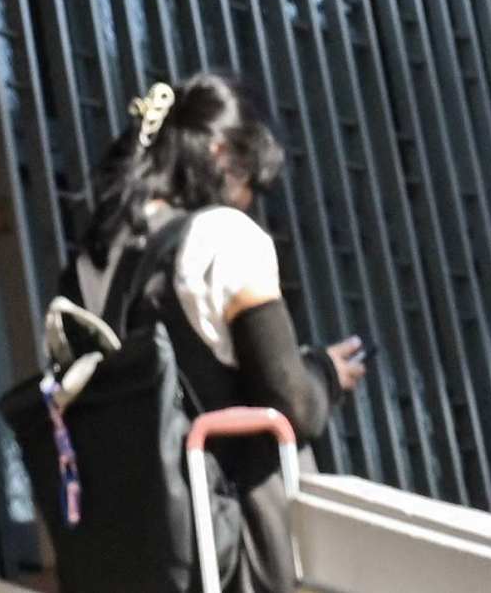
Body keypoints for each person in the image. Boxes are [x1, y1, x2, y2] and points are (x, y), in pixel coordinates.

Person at [53, 72, 365, 593]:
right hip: (235, 546)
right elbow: (293, 402)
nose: (248, 201)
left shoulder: (95, 258)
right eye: (251, 183)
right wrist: (327, 374)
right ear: (221, 154)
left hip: (140, 551)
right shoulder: (224, 238)